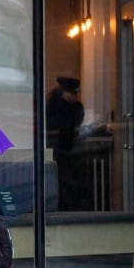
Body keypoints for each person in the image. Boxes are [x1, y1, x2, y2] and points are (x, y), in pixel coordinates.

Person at [46, 76, 85, 211]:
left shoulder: (67, 107)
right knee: (64, 183)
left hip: (63, 149)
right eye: (73, 93)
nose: (75, 96)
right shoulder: (58, 106)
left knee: (65, 183)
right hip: (62, 149)